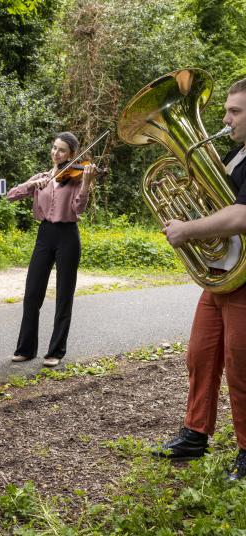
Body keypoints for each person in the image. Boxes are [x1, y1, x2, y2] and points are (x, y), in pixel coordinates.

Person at [154, 78, 246, 482]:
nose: (225, 118)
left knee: (241, 366)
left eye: (235, 112)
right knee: (200, 355)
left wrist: (189, 229)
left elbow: (243, 216)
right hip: (222, 275)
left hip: (245, 279)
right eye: (226, 109)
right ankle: (195, 434)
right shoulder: (234, 155)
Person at [6, 132, 96, 367]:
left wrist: (86, 184)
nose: (56, 153)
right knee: (32, 293)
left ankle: (55, 351)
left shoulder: (77, 179)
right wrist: (31, 184)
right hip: (45, 235)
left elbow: (79, 209)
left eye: (62, 150)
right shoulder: (43, 177)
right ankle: (26, 349)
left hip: (68, 236)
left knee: (64, 296)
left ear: (72, 154)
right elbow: (10, 196)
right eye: (54, 148)